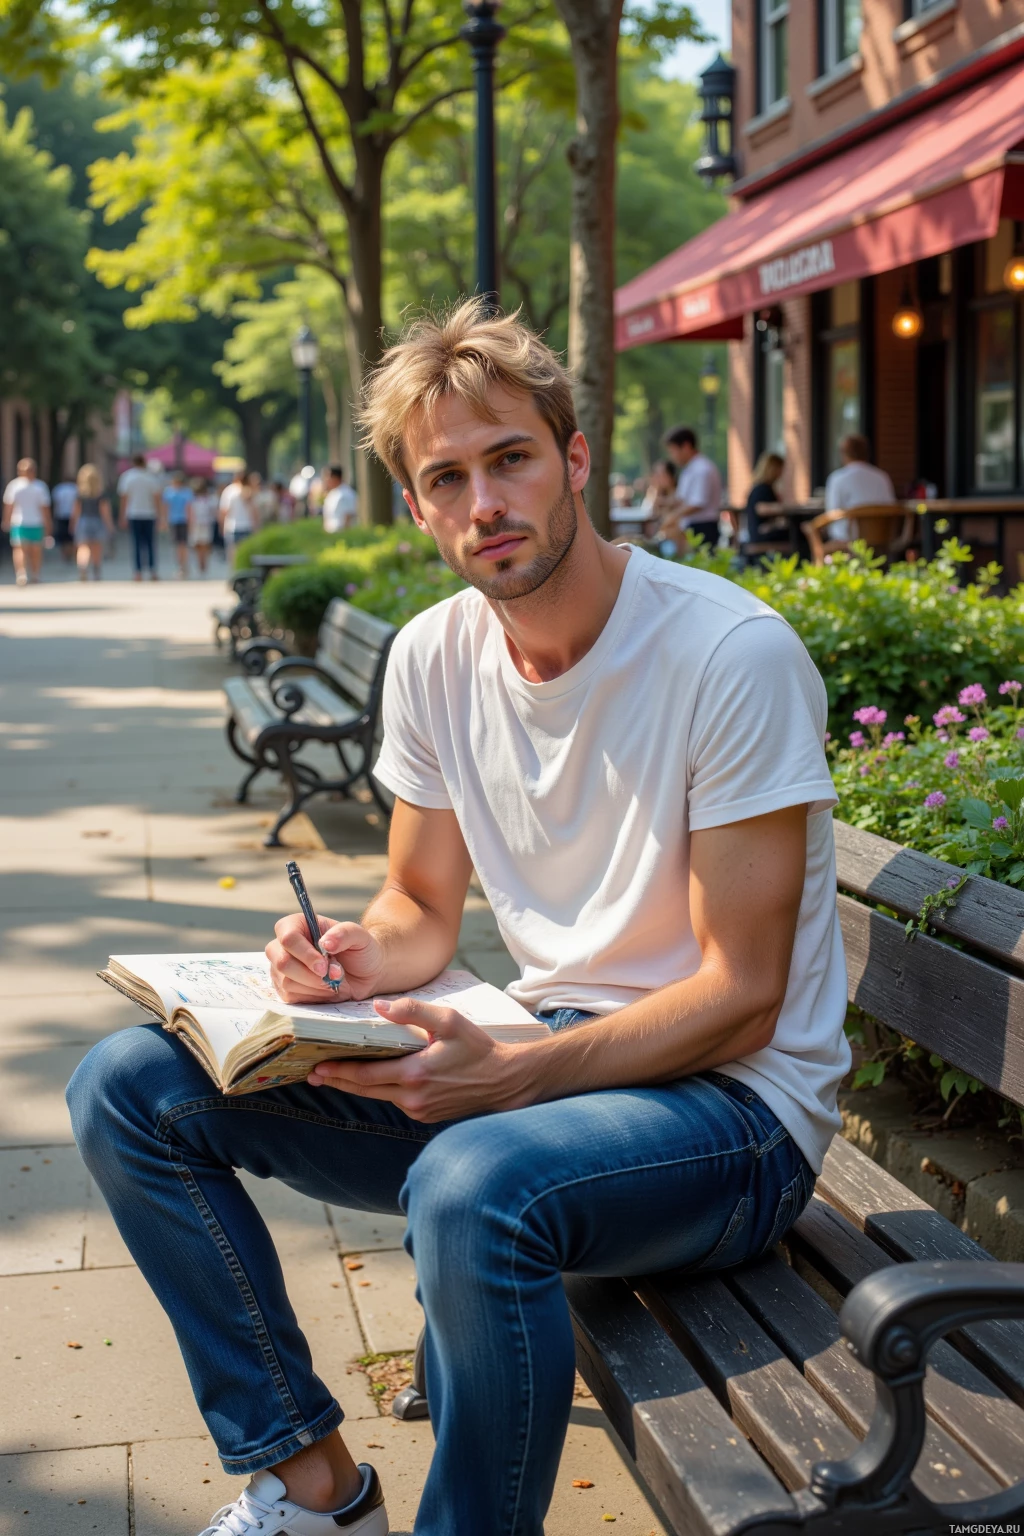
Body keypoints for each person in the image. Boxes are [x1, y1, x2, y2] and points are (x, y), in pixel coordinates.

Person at [68, 299, 847, 1536]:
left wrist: (518, 1075)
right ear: (417, 507)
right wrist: (344, 959)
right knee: (125, 1085)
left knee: (474, 1185)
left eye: (511, 458)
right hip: (546, 1071)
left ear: (574, 458)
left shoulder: (726, 656)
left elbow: (743, 991)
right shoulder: (437, 657)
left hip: (736, 1121)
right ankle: (311, 1484)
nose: (486, 500)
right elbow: (422, 907)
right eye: (447, 477)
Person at [823, 433, 896, 541]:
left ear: (844, 455)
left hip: (848, 540)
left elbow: (831, 514)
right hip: (882, 539)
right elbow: (892, 508)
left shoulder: (837, 478)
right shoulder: (882, 477)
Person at [661, 426, 722, 549]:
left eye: (673, 451)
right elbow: (682, 498)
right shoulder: (689, 469)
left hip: (703, 527)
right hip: (692, 526)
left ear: (686, 446)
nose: (672, 456)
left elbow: (698, 503)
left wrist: (673, 516)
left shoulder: (702, 469)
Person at [2, 458, 52, 586]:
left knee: (22, 550)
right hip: (29, 522)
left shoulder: (15, 486)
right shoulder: (39, 486)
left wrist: (6, 520)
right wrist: (48, 525)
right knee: (32, 550)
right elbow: (45, 509)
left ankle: (24, 573)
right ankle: (31, 574)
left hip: (23, 522)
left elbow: (8, 506)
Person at [117, 453, 162, 581]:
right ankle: (153, 570)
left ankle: (137, 572)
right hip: (149, 514)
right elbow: (157, 499)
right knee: (150, 543)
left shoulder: (127, 477)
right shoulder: (151, 477)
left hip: (133, 514)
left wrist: (122, 517)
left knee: (136, 544)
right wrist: (160, 516)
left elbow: (124, 499)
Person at [70, 463, 115, 580]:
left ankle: (83, 567)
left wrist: (73, 524)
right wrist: (110, 526)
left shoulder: (79, 494)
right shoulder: (101, 494)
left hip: (83, 521)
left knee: (83, 547)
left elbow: (76, 511)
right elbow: (105, 512)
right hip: (97, 521)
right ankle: (96, 570)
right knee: (96, 548)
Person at [742, 451, 788, 544]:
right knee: (797, 534)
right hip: (760, 534)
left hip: (761, 532)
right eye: (780, 469)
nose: (782, 473)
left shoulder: (764, 487)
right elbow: (761, 508)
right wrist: (782, 507)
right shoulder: (762, 489)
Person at [219, 467, 256, 562]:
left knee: (233, 553)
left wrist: (221, 526)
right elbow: (254, 512)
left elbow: (224, 511)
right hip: (247, 526)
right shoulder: (250, 491)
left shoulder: (229, 491)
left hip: (232, 526)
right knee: (246, 553)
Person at [162, 471, 194, 578]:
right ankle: (181, 565)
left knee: (182, 545)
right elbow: (166, 508)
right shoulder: (169, 492)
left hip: (182, 520)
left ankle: (183, 565)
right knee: (179, 545)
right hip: (174, 520)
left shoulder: (184, 492)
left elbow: (188, 508)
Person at [639, 458, 682, 537]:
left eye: (661, 474)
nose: (657, 478)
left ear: (670, 476)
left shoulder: (679, 493)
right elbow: (648, 512)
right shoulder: (655, 492)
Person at [188, 478, 217, 574]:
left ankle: (202, 565)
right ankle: (203, 565)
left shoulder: (195, 500)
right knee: (203, 546)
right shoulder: (208, 500)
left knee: (200, 546)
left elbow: (190, 514)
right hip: (204, 524)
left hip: (200, 524)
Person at [321, 464, 359, 533]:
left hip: (341, 534)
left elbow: (348, 516)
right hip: (331, 533)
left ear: (336, 477)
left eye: (328, 476)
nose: (326, 479)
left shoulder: (347, 493)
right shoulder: (332, 493)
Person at [52, 474, 78, 561]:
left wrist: (55, 514)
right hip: (73, 515)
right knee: (72, 536)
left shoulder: (58, 489)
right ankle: (72, 554)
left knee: (63, 537)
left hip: (61, 515)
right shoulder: (76, 489)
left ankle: (64, 555)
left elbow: (56, 503)